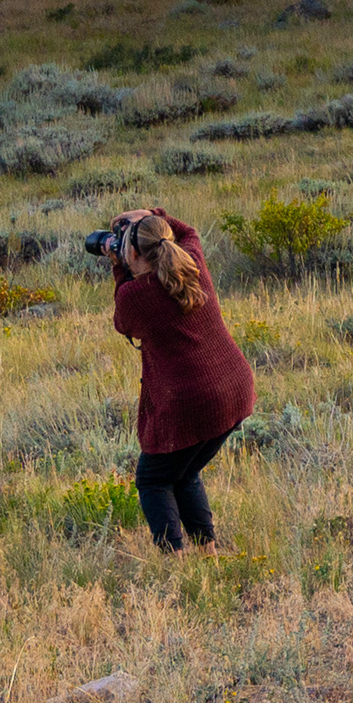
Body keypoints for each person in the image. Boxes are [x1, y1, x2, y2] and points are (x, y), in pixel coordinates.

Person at [107, 204, 254, 551]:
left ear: (133, 253)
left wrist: (118, 268)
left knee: (153, 479)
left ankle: (174, 559)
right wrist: (152, 214)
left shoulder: (135, 295)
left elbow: (122, 323)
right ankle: (208, 551)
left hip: (192, 401)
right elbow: (188, 232)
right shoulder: (192, 262)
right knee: (184, 473)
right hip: (234, 387)